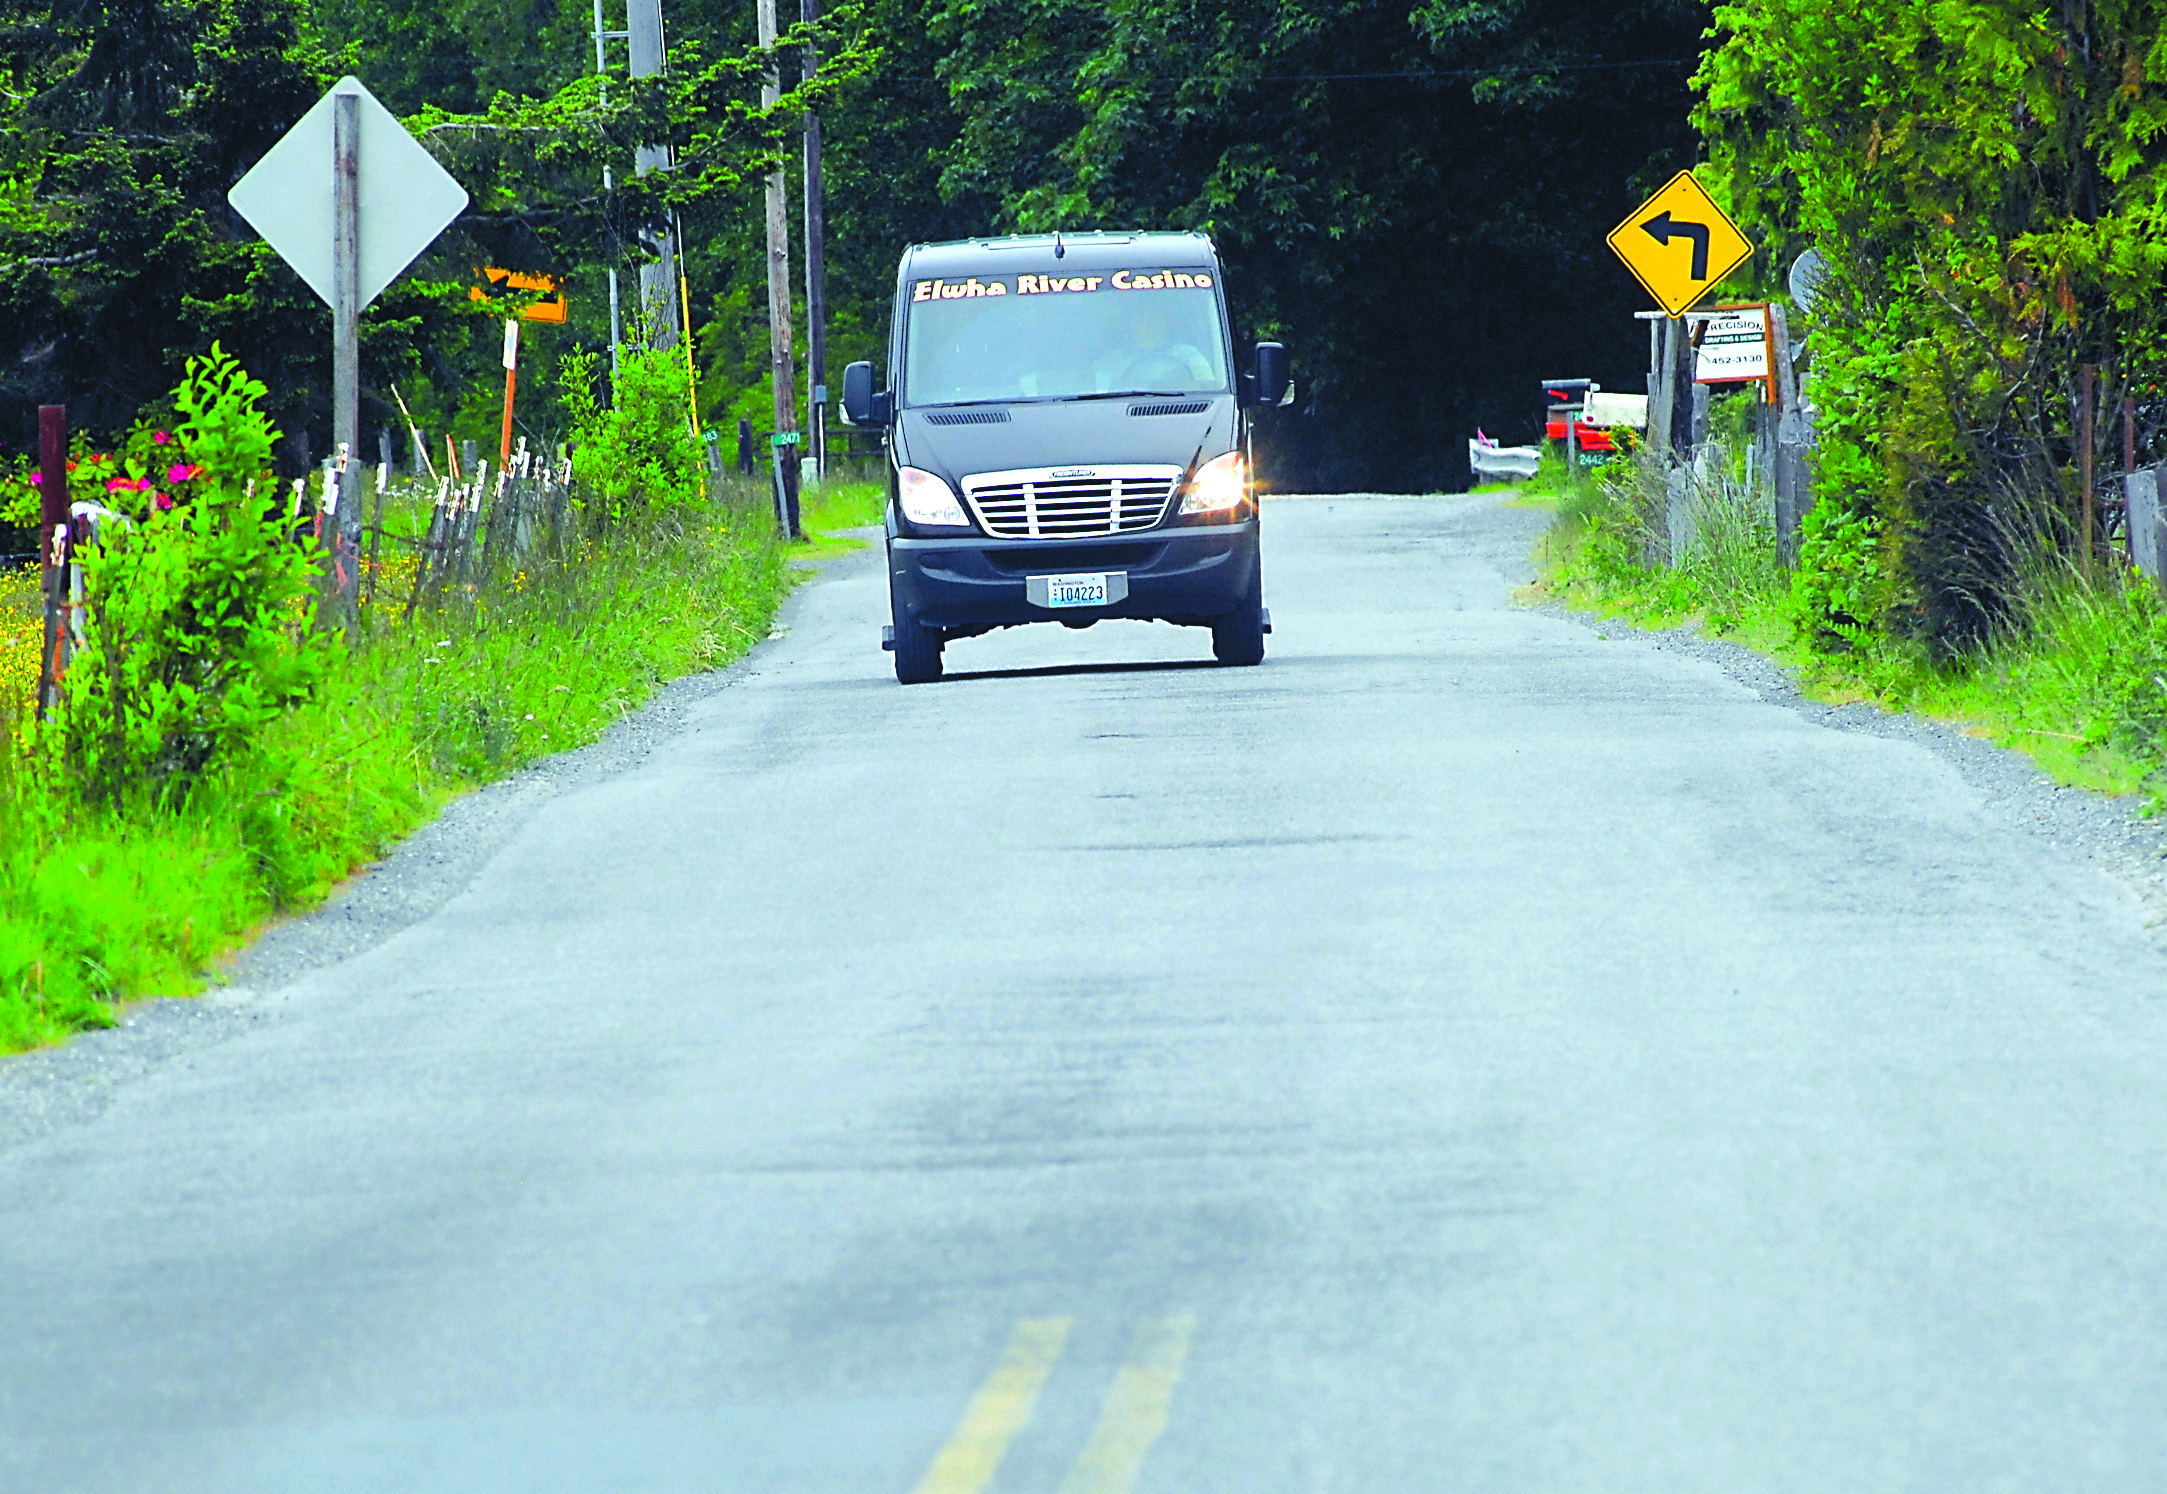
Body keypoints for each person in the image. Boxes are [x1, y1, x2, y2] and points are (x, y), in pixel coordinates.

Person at [1093, 297, 1216, 392]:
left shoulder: (1190, 357)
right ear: (1131, 324)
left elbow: (1209, 392)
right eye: (1142, 318)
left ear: (1166, 324)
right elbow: (1100, 399)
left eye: (1155, 318)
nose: (1149, 324)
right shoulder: (1111, 362)